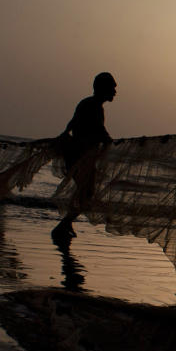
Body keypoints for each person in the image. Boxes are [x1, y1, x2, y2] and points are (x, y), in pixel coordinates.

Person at [51, 72, 117, 242]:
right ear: (104, 88)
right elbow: (98, 130)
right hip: (79, 155)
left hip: (79, 155)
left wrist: (65, 134)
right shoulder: (93, 105)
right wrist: (111, 142)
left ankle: (66, 224)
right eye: (113, 87)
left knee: (85, 192)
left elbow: (72, 124)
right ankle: (63, 225)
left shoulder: (89, 103)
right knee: (86, 193)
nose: (115, 91)